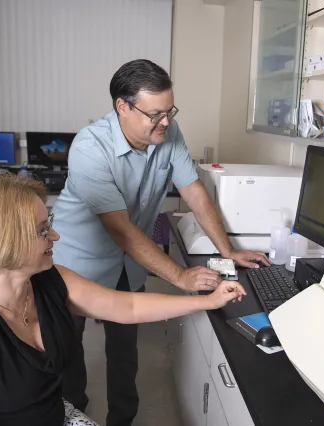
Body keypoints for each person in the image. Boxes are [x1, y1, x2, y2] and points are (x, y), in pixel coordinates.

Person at [0, 174, 246, 426]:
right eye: (42, 231)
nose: (56, 236)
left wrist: (206, 301)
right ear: (3, 240)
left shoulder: (52, 280)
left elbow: (127, 306)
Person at [52, 58, 270, 426]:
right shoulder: (90, 147)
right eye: (155, 114)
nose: (165, 122)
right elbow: (119, 228)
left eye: (169, 111)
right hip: (78, 260)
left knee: (125, 351)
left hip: (129, 260)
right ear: (123, 106)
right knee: (67, 349)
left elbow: (195, 192)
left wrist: (227, 249)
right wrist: (180, 277)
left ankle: (121, 419)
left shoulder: (168, 133)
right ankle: (73, 410)